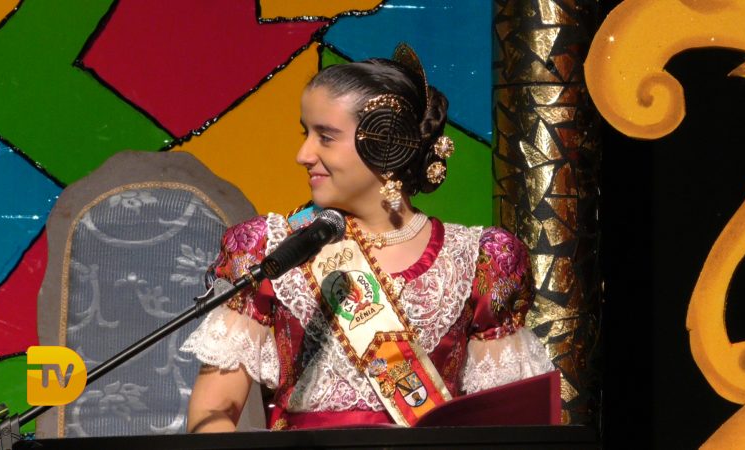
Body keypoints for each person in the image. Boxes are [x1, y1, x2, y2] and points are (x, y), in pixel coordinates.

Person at [180, 44, 554, 432]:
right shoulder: (271, 248)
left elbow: (509, 428)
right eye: (306, 133)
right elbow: (211, 415)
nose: (303, 154)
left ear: (386, 143)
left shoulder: (479, 260)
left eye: (325, 137)